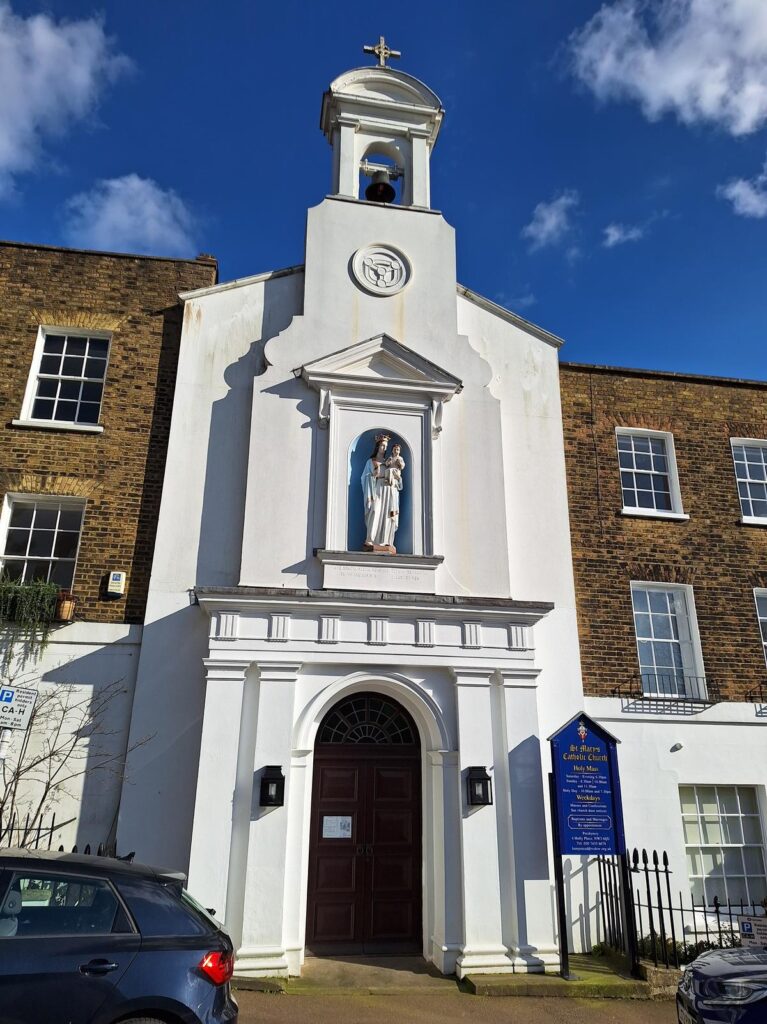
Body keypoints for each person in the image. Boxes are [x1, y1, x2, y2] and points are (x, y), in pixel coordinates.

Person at [361, 434, 403, 551]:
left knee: (388, 515)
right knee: (375, 510)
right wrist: (373, 475)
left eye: (386, 446)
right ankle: (370, 539)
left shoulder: (389, 461)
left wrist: (397, 477)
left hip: (390, 491)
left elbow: (398, 478)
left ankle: (387, 541)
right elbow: (364, 477)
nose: (384, 448)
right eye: (382, 446)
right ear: (377, 447)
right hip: (377, 490)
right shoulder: (371, 462)